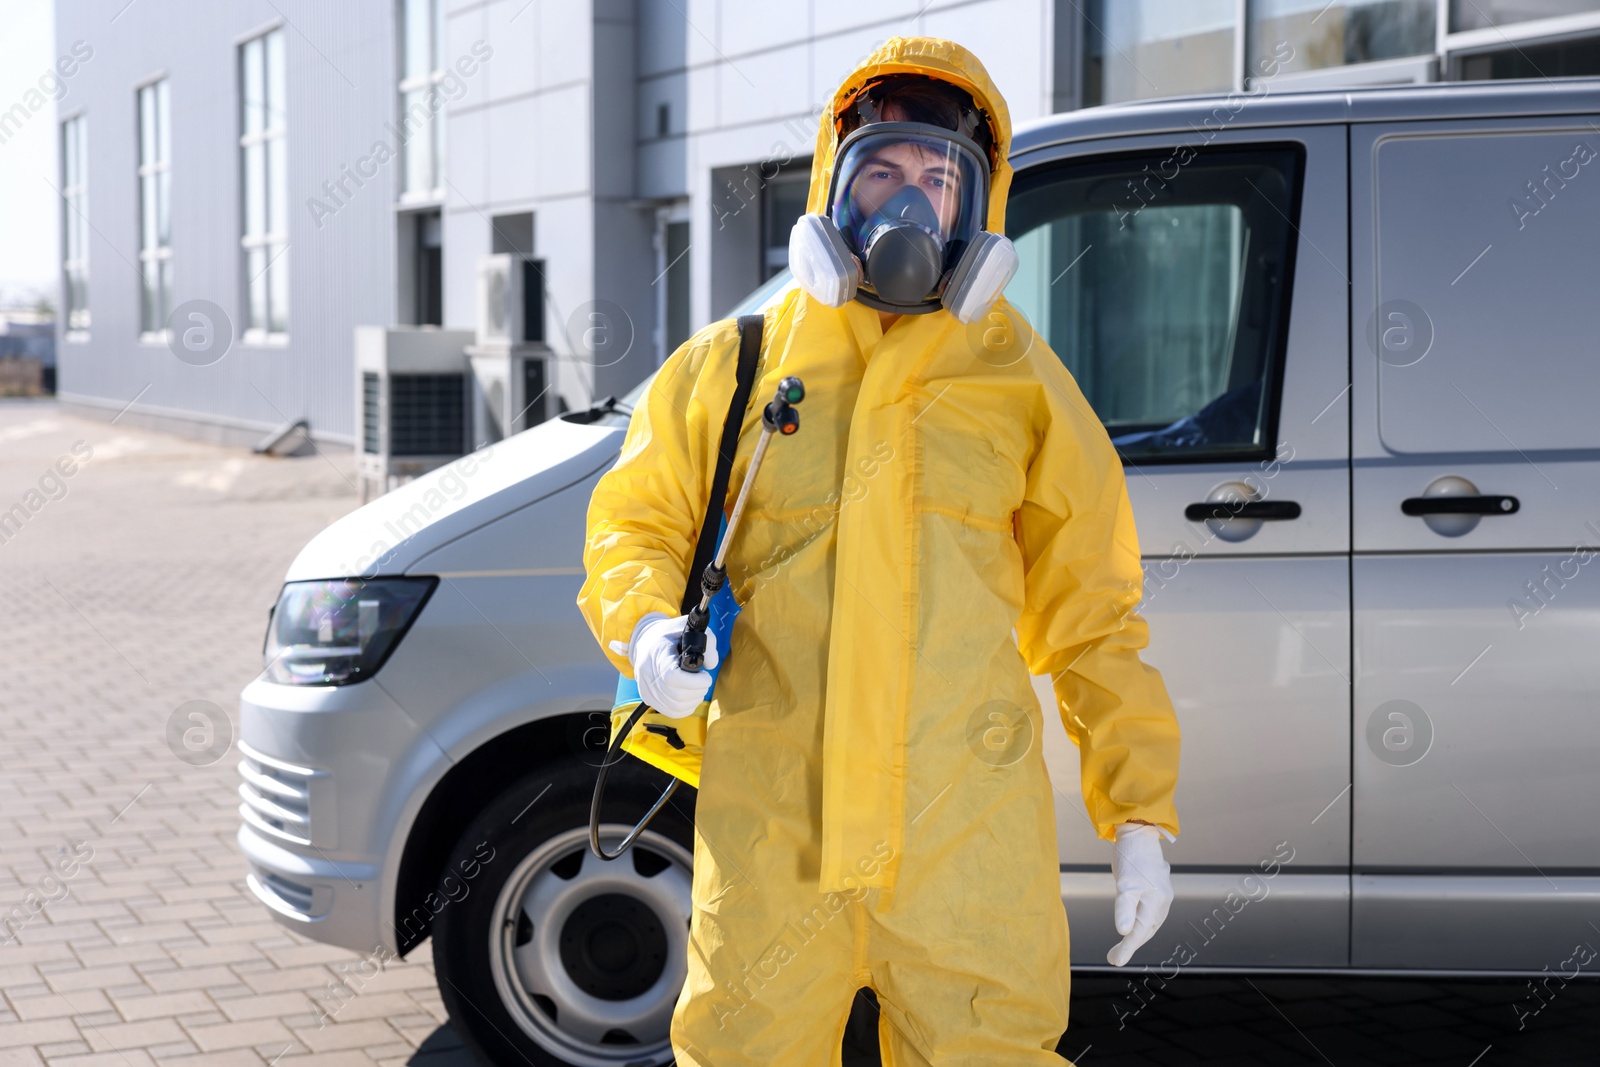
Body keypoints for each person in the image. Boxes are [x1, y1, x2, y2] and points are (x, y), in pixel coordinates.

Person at [578, 35, 1180, 1065]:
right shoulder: (738, 368)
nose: (907, 202)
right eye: (882, 172)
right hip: (774, 846)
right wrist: (644, 634)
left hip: (966, 855)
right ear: (834, 186)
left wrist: (1138, 812)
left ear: (974, 209)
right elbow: (636, 522)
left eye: (937, 178)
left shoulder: (1023, 383)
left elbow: (1092, 613)